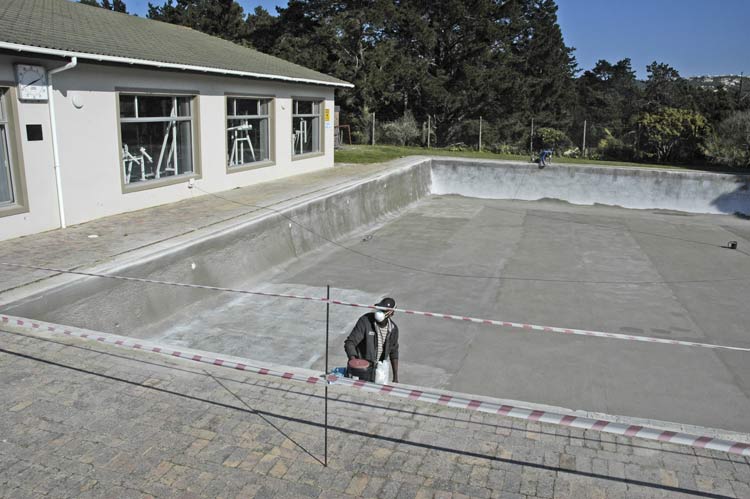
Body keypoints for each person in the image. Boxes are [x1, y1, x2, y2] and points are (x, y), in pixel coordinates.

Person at [344, 297, 399, 383]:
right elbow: (350, 343)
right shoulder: (365, 321)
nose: (380, 312)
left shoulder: (393, 330)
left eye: (384, 310)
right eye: (379, 309)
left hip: (378, 374)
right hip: (360, 372)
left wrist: (395, 378)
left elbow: (394, 352)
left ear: (391, 313)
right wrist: (354, 362)